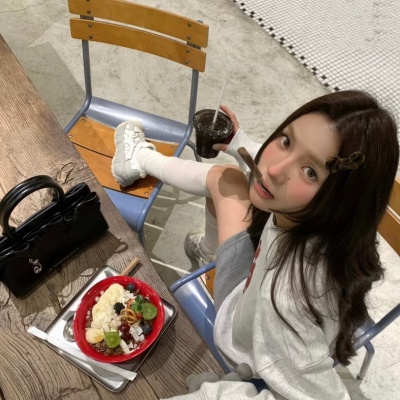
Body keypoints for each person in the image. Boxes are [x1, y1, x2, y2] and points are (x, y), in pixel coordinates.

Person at [111, 90, 399, 399]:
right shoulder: (344, 232)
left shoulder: (287, 298)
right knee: (235, 179)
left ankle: (139, 158)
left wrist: (220, 393)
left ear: (341, 200)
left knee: (226, 179)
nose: (273, 169)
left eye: (310, 172)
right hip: (257, 306)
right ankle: (207, 248)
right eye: (286, 141)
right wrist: (241, 142)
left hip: (239, 330)